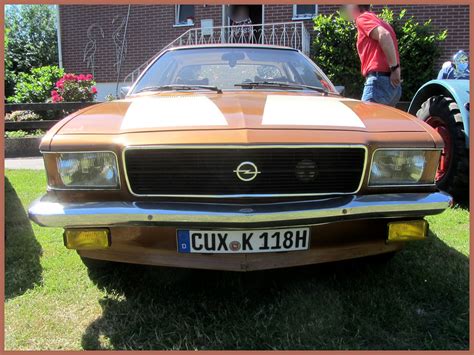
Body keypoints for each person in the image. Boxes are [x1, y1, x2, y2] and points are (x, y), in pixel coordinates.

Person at [346, 5, 402, 106]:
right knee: (382, 122)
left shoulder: (362, 18)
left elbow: (384, 35)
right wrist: (395, 69)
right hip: (392, 86)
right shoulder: (383, 23)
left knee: (365, 120)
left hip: (378, 83)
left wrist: (394, 68)